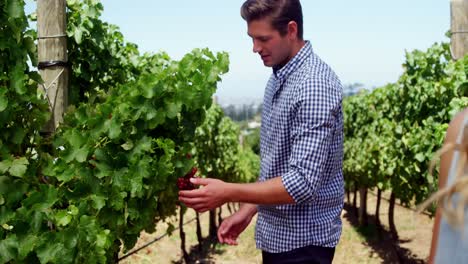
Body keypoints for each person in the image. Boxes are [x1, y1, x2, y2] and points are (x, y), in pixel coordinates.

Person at [179, 0, 344, 263]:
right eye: (252, 38)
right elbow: (279, 169)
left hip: (304, 246)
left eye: (263, 39)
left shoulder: (314, 86)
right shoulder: (279, 78)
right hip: (281, 239)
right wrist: (248, 210)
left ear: (291, 30)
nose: (255, 48)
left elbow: (300, 183)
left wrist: (228, 192)